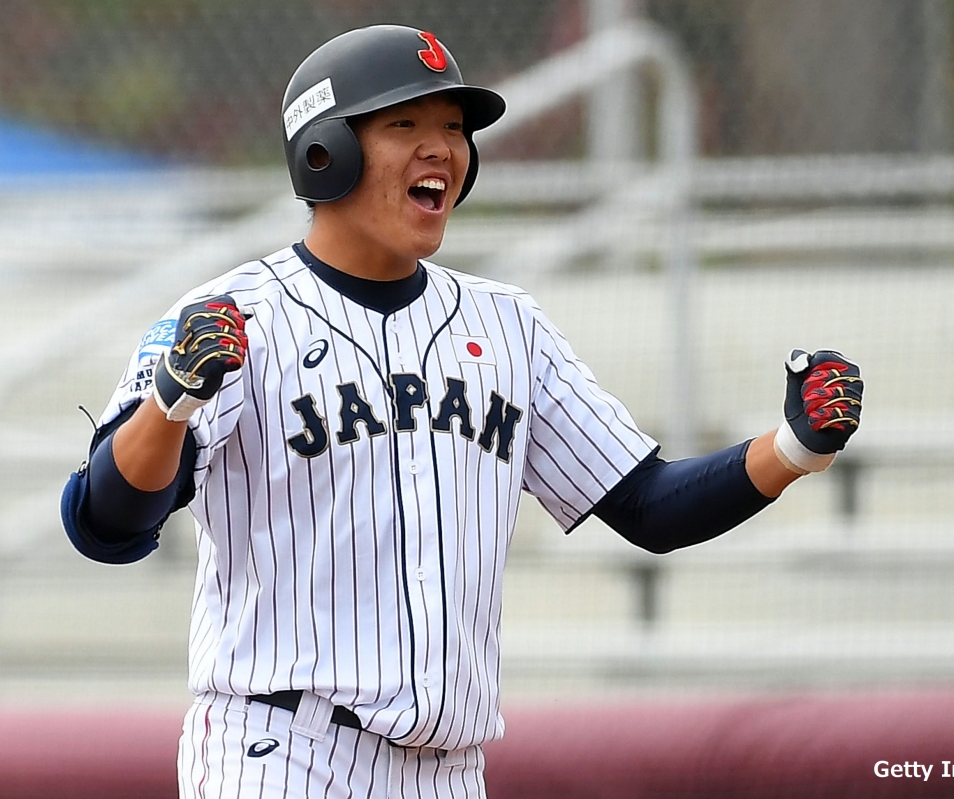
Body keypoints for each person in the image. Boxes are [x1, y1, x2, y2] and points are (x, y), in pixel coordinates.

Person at [60, 24, 862, 799]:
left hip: (449, 768)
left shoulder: (508, 325)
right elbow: (106, 521)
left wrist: (791, 447)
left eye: (453, 127)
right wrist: (171, 401)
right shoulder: (232, 314)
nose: (441, 147)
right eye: (405, 123)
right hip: (277, 751)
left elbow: (648, 505)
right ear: (323, 152)